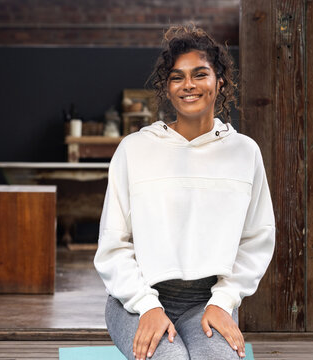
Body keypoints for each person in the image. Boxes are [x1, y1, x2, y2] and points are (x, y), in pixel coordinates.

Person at [94, 25, 275, 360]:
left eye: (200, 74)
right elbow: (113, 245)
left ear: (220, 81)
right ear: (167, 87)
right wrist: (147, 305)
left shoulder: (244, 152)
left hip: (207, 302)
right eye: (177, 77)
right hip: (135, 302)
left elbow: (256, 238)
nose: (188, 85)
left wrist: (223, 301)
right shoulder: (134, 150)